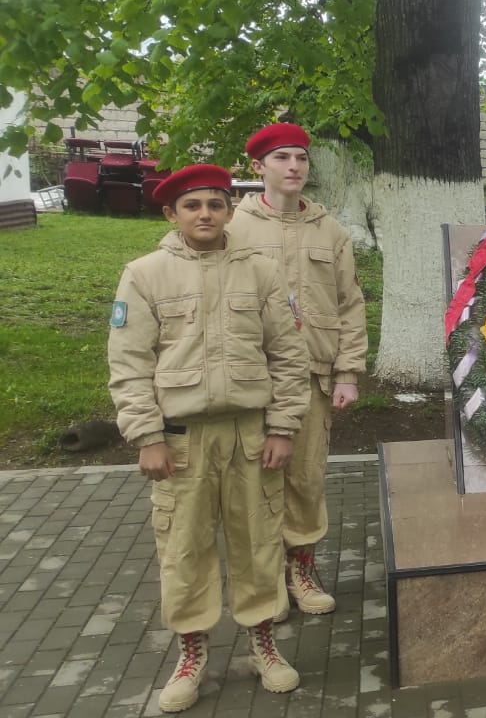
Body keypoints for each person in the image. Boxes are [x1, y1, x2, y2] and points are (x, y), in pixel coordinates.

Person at [108, 164, 309, 712]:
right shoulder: (145, 275)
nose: (205, 214)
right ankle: (192, 654)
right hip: (181, 442)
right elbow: (129, 363)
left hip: (251, 437)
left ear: (229, 211)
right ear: (171, 214)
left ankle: (263, 645)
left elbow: (288, 355)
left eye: (216, 204)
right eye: (192, 206)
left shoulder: (261, 271)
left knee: (258, 544)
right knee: (184, 549)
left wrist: (283, 426)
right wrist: (146, 435)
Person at [228, 123, 368, 619]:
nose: (294, 167)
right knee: (256, 481)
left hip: (312, 375)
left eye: (301, 158)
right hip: (252, 377)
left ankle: (302, 570)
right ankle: (265, 581)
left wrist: (347, 372)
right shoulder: (234, 228)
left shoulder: (330, 231)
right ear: (258, 167)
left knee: (305, 480)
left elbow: (349, 304)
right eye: (282, 158)